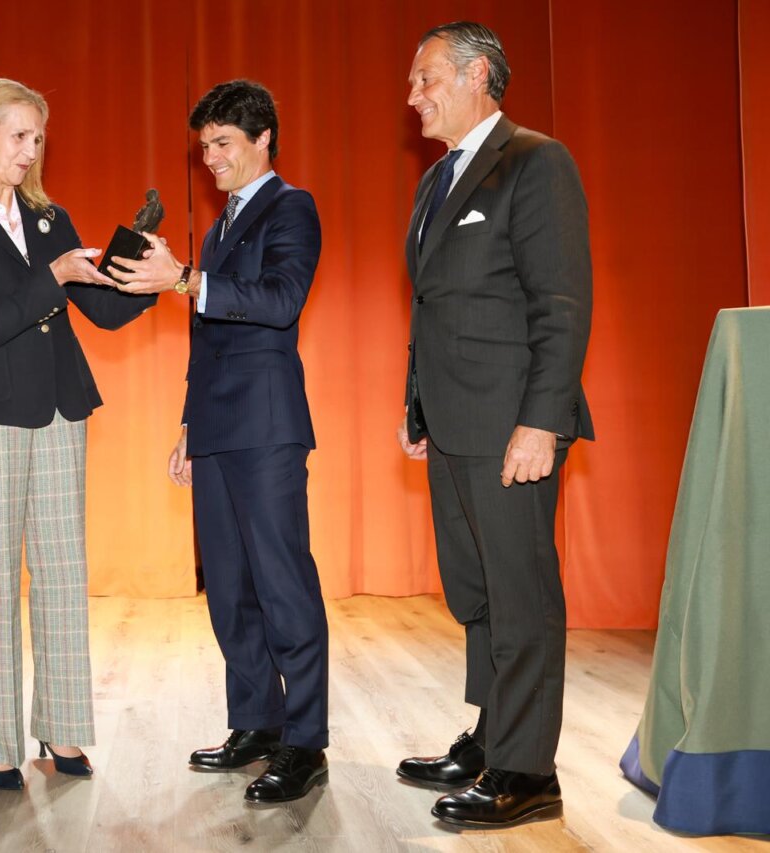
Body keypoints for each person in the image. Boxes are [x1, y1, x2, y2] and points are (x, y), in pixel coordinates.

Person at [0, 78, 156, 790]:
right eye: (19, 136)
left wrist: (140, 273)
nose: (30, 151)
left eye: (38, 138)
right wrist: (53, 274)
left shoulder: (50, 216)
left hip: (60, 408)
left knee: (62, 576)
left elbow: (103, 315)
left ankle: (62, 731)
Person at [396, 22, 594, 827]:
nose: (413, 95)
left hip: (512, 425)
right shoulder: (437, 179)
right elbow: (431, 305)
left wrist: (541, 422)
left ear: (478, 74)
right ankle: (488, 735)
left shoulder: (536, 161)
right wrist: (416, 403)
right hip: (451, 423)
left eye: (426, 77)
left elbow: (561, 303)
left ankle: (526, 770)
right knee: (475, 593)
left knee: (522, 598)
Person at [110, 79, 328, 805]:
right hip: (216, 428)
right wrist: (186, 422)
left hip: (267, 427)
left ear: (263, 138)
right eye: (204, 147)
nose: (211, 159)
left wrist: (185, 278)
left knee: (281, 581)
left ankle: (304, 742)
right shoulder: (217, 226)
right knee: (229, 588)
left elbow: (280, 300)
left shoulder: (292, 207)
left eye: (223, 143)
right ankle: (256, 722)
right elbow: (206, 339)